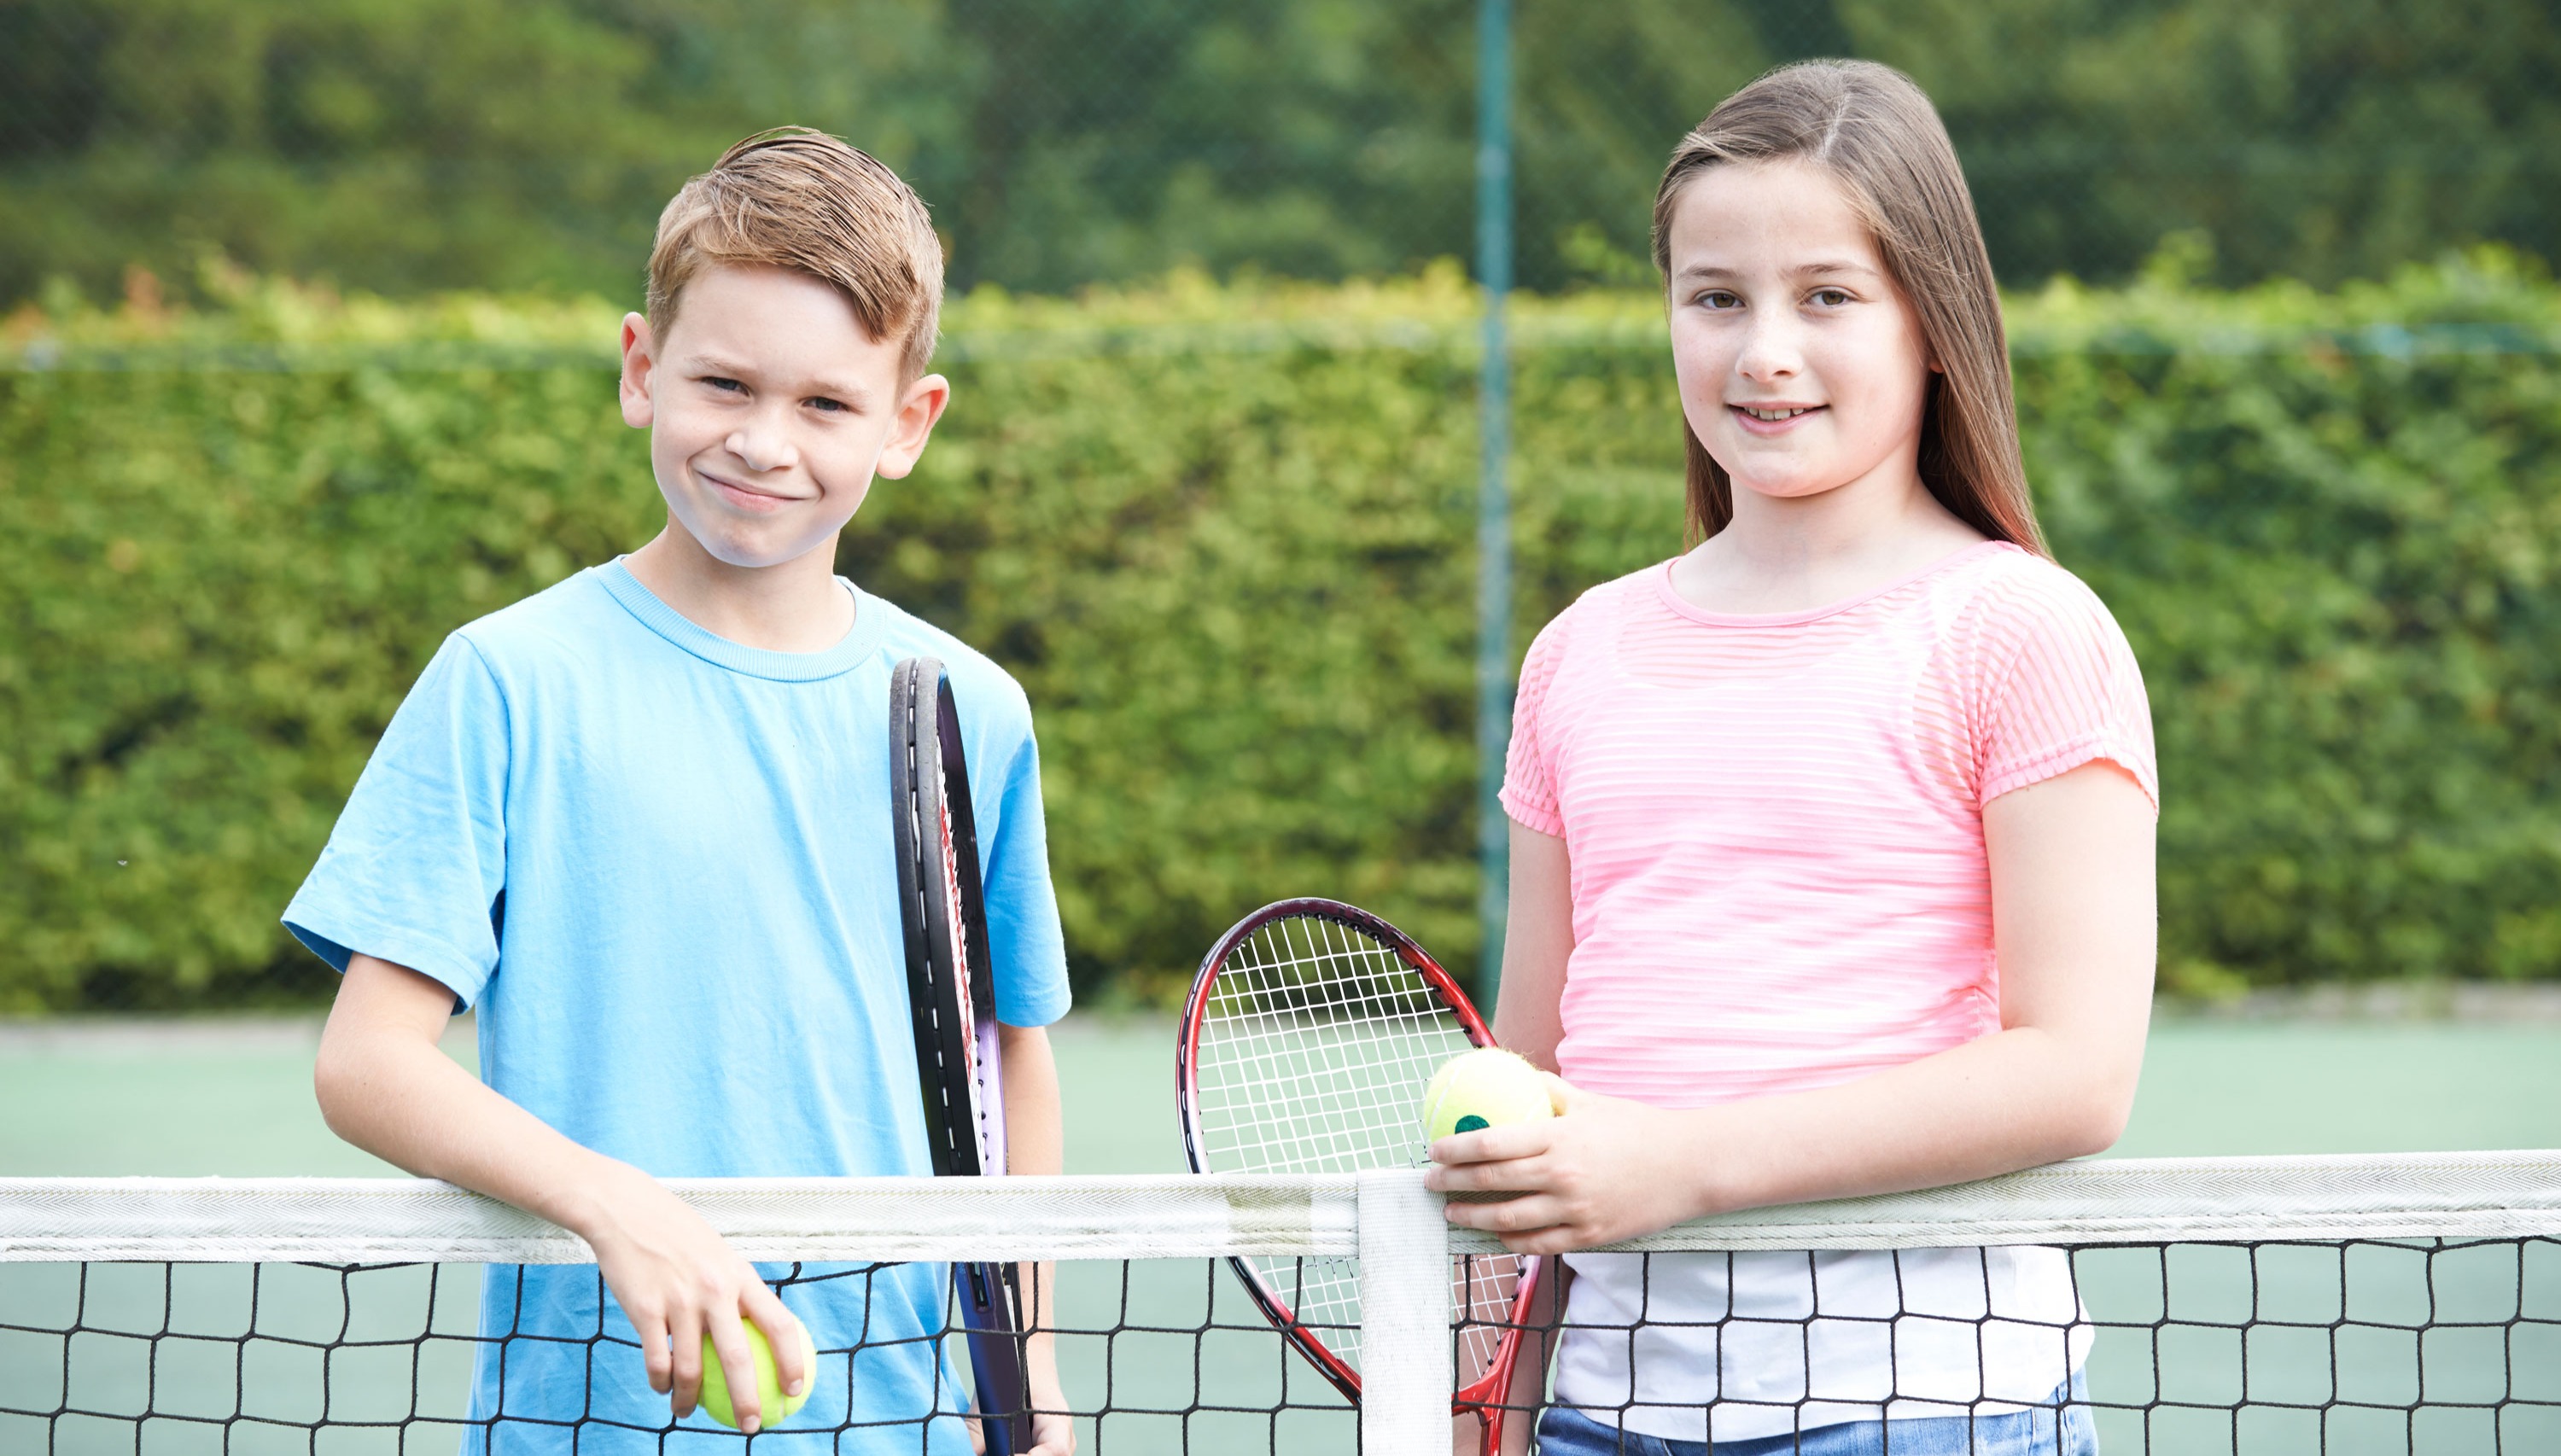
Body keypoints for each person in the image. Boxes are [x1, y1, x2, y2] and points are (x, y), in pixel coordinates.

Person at [287, 129, 1076, 1454]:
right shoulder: (507, 681)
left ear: (907, 424)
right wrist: (617, 1205)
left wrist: (1035, 1382)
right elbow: (366, 1064)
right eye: (724, 384)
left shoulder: (966, 708)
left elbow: (1011, 1067)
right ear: (642, 372)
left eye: (826, 404)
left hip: (917, 1424)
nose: (765, 443)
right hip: (592, 1421)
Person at [1427, 61, 2156, 1455]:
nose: (1764, 349)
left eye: (1828, 295)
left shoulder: (2025, 631)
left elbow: (2077, 1074)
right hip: (1602, 1412)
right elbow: (1526, 1074)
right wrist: (1480, 1394)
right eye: (1716, 297)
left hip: (1929, 1406)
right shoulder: (1578, 653)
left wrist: (1677, 1166)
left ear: (1933, 321)